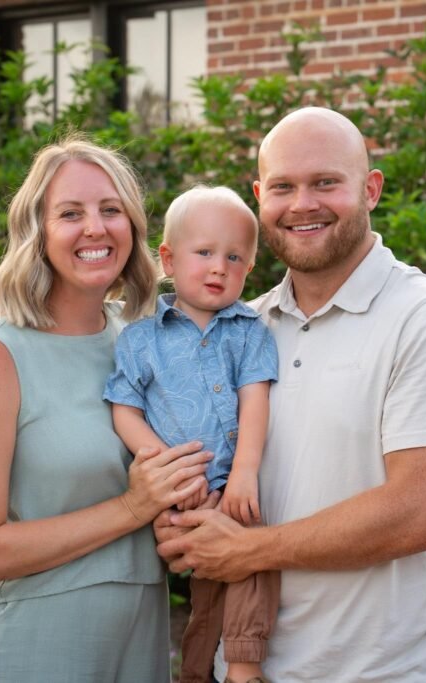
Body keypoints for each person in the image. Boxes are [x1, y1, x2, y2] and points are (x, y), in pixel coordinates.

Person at [156, 107, 426, 682]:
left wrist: (249, 551)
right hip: (247, 667)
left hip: (386, 670)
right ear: (260, 198)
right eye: (283, 186)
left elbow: (417, 515)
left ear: (371, 189)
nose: (302, 204)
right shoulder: (242, 330)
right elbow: (208, 470)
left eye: (325, 183)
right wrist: (182, 523)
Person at [0, 137, 212, 683]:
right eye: (70, 213)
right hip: (29, 645)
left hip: (137, 641)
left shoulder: (140, 340)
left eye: (111, 210)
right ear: (37, 233)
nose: (96, 227)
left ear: (133, 227)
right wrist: (135, 507)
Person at [103, 186, 280, 683]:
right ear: (168, 259)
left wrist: (244, 474)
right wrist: (168, 467)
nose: (219, 267)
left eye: (234, 257)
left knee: (247, 558)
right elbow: (124, 410)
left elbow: (255, 401)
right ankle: (204, 669)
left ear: (249, 269)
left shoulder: (250, 331)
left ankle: (238, 666)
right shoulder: (141, 338)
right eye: (204, 253)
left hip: (232, 488)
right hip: (179, 487)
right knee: (211, 578)